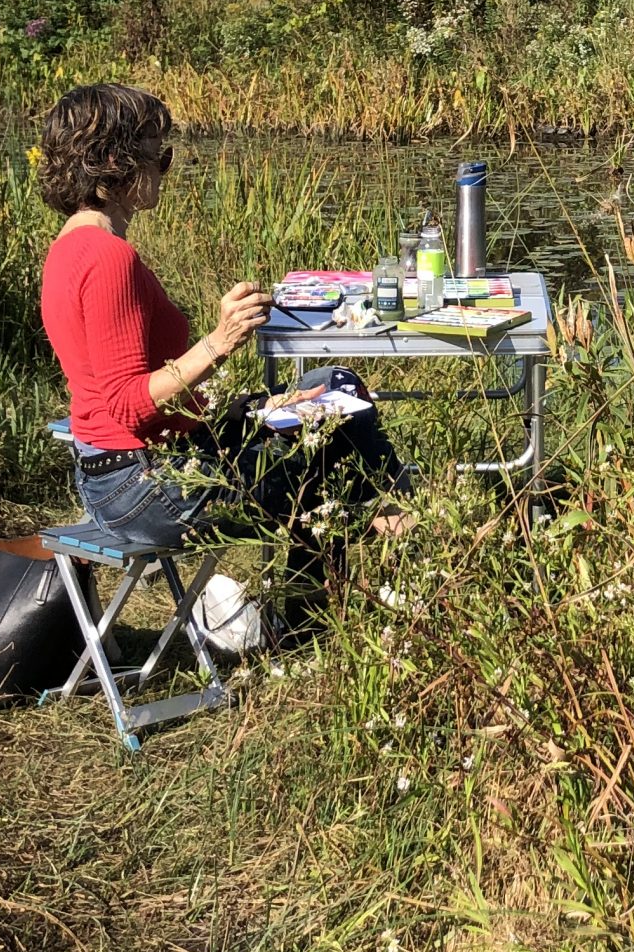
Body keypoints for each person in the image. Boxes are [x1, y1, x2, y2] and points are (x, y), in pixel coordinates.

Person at [36, 82, 400, 623]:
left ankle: (354, 563)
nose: (165, 169)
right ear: (113, 162)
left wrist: (243, 409)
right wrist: (221, 339)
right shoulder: (108, 258)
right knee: (326, 455)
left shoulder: (68, 247)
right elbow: (130, 405)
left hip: (122, 472)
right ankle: (391, 537)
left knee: (332, 386)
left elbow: (131, 394)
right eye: (157, 155)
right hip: (146, 488)